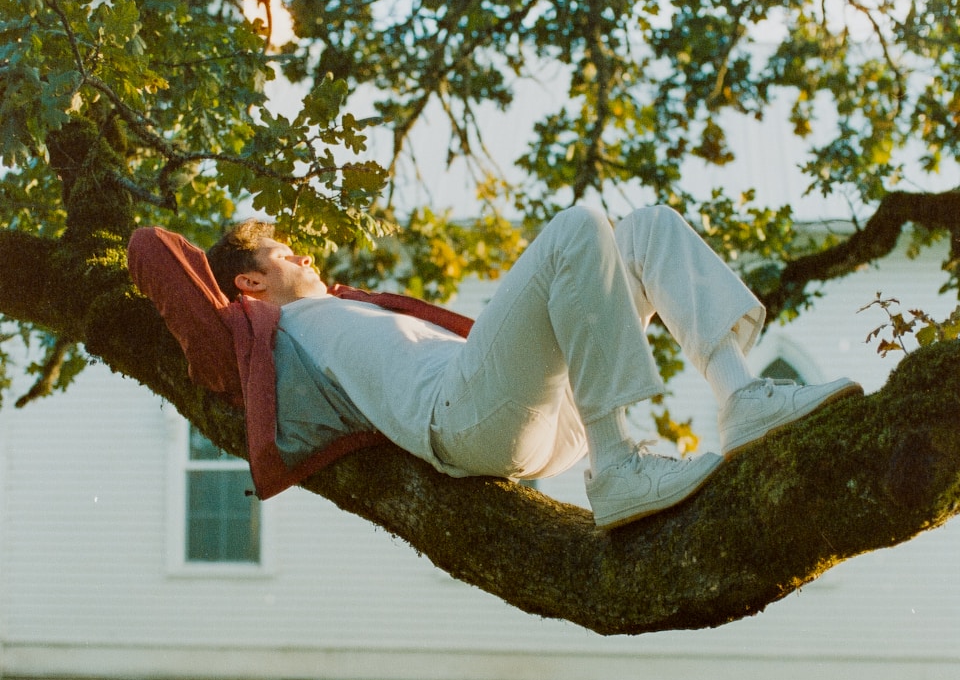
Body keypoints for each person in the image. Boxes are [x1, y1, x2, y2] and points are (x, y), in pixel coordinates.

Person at [204, 205, 861, 529]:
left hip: (537, 416)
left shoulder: (347, 307)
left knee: (646, 227)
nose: (304, 256)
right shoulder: (281, 333)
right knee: (579, 226)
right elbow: (165, 269)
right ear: (250, 281)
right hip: (461, 415)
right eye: (284, 252)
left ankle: (739, 396)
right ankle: (620, 467)